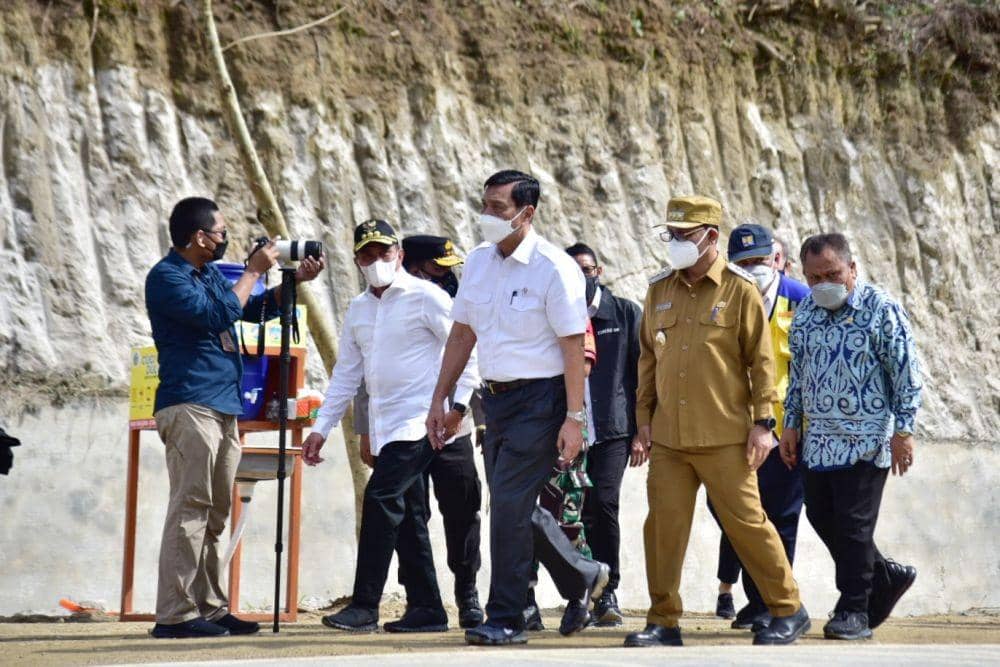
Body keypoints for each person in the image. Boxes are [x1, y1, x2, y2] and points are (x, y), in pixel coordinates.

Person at [427, 170, 609, 646]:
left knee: (507, 506)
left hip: (542, 399)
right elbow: (463, 333)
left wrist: (574, 417)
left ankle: (506, 616)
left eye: (498, 208)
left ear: (527, 213)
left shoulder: (554, 267)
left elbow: (573, 346)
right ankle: (583, 575)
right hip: (495, 401)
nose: (487, 215)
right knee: (515, 506)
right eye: (484, 205)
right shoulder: (480, 261)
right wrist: (440, 397)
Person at [625, 195, 810, 648]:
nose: (674, 243)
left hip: (726, 436)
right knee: (663, 528)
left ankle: (789, 609)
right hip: (669, 438)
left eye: (683, 236)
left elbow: (762, 363)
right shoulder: (659, 291)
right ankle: (663, 620)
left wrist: (764, 424)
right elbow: (648, 360)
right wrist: (643, 420)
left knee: (748, 524)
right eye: (670, 234)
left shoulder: (738, 289)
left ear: (710, 237)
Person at [144, 197, 325, 639]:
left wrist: (290, 283)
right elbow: (215, 315)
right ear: (198, 236)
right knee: (190, 507)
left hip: (223, 406)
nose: (226, 239)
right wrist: (253, 270)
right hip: (190, 403)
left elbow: (246, 310)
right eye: (221, 231)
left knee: (215, 512)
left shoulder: (205, 275)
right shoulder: (167, 277)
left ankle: (208, 605)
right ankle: (174, 614)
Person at [302, 220, 479, 634]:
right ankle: (427, 608)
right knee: (408, 514)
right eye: (368, 255)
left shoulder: (426, 297)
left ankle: (365, 604)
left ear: (399, 254)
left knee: (383, 499)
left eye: (385, 252)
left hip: (422, 422)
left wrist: (459, 406)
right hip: (385, 428)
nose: (377, 261)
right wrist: (320, 428)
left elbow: (467, 347)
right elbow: (347, 374)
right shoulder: (359, 309)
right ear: (357, 261)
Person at [779, 233, 921, 641]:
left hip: (867, 439)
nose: (824, 283)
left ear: (852, 269)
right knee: (823, 517)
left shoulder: (881, 309)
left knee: (854, 526)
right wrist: (791, 425)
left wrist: (904, 432)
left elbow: (907, 374)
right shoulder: (805, 314)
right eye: (814, 276)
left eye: (833, 274)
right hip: (818, 441)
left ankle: (854, 607)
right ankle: (884, 574)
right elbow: (799, 379)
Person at [352, 233, 485, 629]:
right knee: (410, 515)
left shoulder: (443, 300)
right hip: (402, 429)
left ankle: (468, 593)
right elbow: (368, 375)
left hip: (452, 429)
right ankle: (420, 602)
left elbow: (470, 355)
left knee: (462, 510)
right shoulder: (379, 308)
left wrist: (472, 417)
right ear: (413, 267)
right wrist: (366, 432)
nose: (446, 277)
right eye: (437, 270)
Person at [708, 223, 810, 630]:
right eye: (743, 263)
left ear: (777, 259)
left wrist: (799, 427)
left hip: (785, 430)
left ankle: (773, 602)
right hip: (732, 429)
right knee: (735, 512)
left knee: (780, 516)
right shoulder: (722, 301)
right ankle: (759, 597)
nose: (754, 269)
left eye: (760, 261)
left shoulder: (801, 300)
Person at [565, 242, 643, 627]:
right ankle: (579, 592)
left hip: (613, 430)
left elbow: (644, 376)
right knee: (571, 512)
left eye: (587, 269)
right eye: (573, 269)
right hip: (569, 430)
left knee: (604, 503)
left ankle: (608, 589)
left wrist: (643, 431)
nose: (581, 276)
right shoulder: (557, 313)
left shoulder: (625, 313)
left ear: (600, 271)